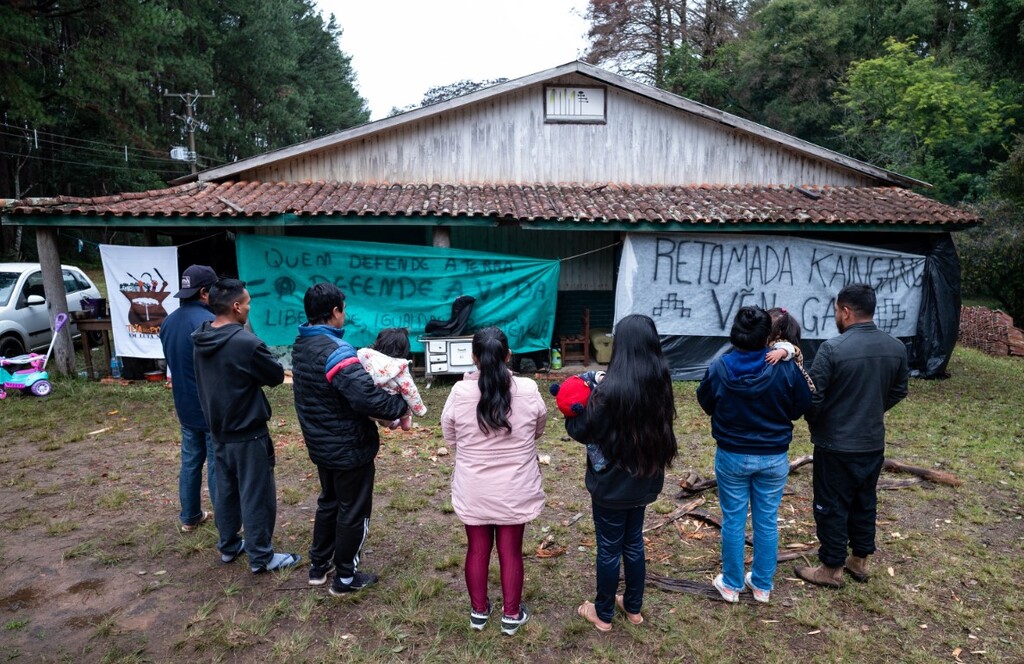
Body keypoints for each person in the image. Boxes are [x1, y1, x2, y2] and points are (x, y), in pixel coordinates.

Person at [291, 283, 408, 594]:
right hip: (348, 448)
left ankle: (319, 566)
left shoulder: (302, 345)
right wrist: (401, 404)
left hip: (321, 444)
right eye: (343, 309)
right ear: (335, 312)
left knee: (329, 502)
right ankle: (345, 578)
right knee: (353, 510)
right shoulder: (336, 352)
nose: (345, 314)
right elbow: (367, 398)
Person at [565, 314, 677, 631]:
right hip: (644, 482)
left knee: (610, 548)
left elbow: (581, 430)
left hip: (611, 488)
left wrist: (574, 411)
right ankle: (633, 607)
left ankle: (602, 614)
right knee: (633, 543)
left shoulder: (607, 392)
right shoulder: (660, 384)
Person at [696, 306, 813, 603]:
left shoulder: (720, 367)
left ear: (734, 333)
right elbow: (801, 406)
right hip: (773, 456)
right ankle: (762, 585)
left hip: (732, 454)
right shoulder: (784, 366)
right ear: (767, 335)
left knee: (733, 520)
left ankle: (732, 584)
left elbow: (706, 402)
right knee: (766, 520)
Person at [796, 283, 909, 588]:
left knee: (831, 503)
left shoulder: (832, 349)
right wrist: (871, 410)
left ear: (845, 311)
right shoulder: (896, 348)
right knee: (864, 500)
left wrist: (819, 421)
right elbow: (899, 391)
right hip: (872, 442)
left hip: (836, 444)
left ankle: (831, 568)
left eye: (836, 310)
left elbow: (813, 397)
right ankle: (859, 560)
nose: (836, 315)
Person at [440, 327, 546, 636]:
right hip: (516, 486)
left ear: (474, 358)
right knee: (511, 551)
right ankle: (511, 615)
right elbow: (538, 428)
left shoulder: (460, 393)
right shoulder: (528, 389)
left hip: (474, 487)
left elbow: (450, 436)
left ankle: (478, 613)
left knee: (477, 548)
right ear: (508, 355)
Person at [192, 278, 299, 574]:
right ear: (237, 306)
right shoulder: (245, 343)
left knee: (225, 491)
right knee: (256, 494)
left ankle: (228, 546)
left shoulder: (200, 336)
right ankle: (261, 556)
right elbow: (276, 375)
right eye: (248, 303)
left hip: (218, 430)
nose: (250, 308)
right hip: (248, 432)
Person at [160, 264, 217, 533]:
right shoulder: (207, 324)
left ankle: (189, 516)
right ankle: (227, 521)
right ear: (205, 292)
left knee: (191, 461)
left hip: (184, 406)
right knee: (218, 464)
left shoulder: (169, 321)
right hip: (210, 406)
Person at [357, 327, 426, 430]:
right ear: (404, 349)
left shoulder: (365, 356)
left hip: (364, 405)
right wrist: (420, 410)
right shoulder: (399, 367)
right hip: (388, 406)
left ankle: (390, 422)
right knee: (404, 399)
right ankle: (403, 421)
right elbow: (410, 391)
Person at [765, 307, 816, 392]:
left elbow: (790, 348)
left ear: (778, 333)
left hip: (799, 385)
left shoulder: (781, 343)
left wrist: (780, 352)